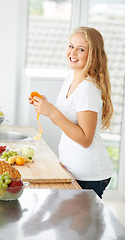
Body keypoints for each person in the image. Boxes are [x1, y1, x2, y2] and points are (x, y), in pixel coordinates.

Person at [29, 26, 114, 199]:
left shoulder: (88, 88)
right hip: (73, 168)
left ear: (93, 55)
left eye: (81, 49)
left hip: (90, 175)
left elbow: (85, 140)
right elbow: (66, 122)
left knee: (82, 227)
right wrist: (47, 107)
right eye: (70, 46)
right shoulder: (71, 78)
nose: (72, 52)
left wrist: (52, 112)